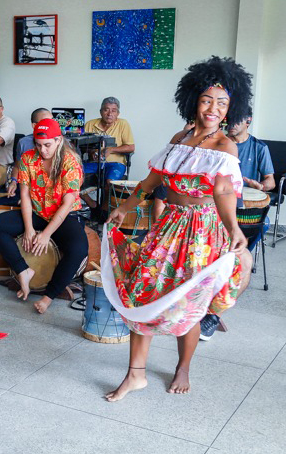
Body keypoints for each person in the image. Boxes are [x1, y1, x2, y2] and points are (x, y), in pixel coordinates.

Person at [102, 57, 253, 402]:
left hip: (203, 231)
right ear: (193, 100)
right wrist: (124, 208)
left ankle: (183, 367)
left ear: (231, 108)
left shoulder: (224, 146)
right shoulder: (180, 136)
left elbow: (224, 191)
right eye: (206, 99)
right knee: (142, 290)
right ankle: (135, 374)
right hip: (169, 222)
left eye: (222, 102)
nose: (213, 108)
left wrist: (234, 229)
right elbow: (153, 179)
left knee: (190, 302)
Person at [0, 118, 88, 314]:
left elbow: (68, 203)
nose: (43, 150)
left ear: (58, 140)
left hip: (65, 215)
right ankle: (23, 270)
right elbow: (24, 195)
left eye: (48, 145)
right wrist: (30, 229)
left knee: (79, 249)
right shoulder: (28, 159)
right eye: (39, 145)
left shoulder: (71, 161)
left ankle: (49, 296)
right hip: (38, 212)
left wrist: (46, 234)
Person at [0, 107, 52, 207]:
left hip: (46, 192)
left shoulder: (60, 143)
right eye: (46, 122)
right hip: (24, 187)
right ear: (34, 125)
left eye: (52, 121)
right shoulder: (24, 143)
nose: (51, 125)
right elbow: (17, 166)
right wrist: (13, 182)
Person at [83, 97, 135, 209]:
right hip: (94, 162)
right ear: (100, 111)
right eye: (106, 110)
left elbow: (131, 147)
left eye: (114, 110)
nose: (109, 113)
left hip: (115, 163)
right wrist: (91, 151)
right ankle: (91, 203)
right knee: (71, 175)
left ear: (118, 113)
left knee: (109, 182)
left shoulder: (123, 124)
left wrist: (111, 149)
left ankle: (104, 211)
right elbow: (81, 145)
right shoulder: (90, 124)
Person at [227, 109, 275, 192]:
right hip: (221, 195)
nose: (232, 123)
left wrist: (261, 186)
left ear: (248, 121)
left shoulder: (260, 147)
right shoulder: (218, 145)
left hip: (246, 196)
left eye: (237, 119)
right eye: (230, 119)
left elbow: (271, 181)